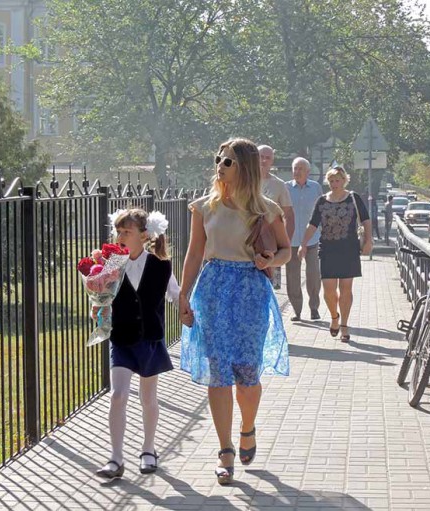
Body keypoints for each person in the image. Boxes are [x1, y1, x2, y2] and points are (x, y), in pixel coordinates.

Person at [178, 138, 291, 485]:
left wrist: (271, 259)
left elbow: (287, 250)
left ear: (243, 166)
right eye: (218, 160)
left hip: (250, 292)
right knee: (218, 372)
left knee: (247, 373)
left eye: (227, 161)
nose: (220, 166)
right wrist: (183, 295)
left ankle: (248, 427)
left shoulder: (266, 208)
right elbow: (195, 254)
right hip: (212, 290)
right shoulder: (204, 207)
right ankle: (225, 449)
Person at [95, 208, 180, 480]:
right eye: (118, 231)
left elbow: (175, 293)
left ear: (144, 236)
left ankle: (148, 449)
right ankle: (116, 457)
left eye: (127, 232)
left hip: (149, 339)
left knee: (147, 398)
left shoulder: (160, 264)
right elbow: (101, 297)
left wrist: (188, 312)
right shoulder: (112, 264)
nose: (120, 236)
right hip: (121, 338)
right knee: (118, 395)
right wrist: (97, 308)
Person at [298, 166, 373, 342]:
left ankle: (345, 325)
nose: (334, 184)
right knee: (329, 290)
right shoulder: (322, 201)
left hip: (349, 249)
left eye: (337, 180)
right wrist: (303, 244)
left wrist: (369, 240)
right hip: (328, 250)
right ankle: (334, 317)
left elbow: (366, 220)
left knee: (346, 289)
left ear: (344, 180)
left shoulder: (353, 198)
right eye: (331, 181)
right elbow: (312, 224)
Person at [286, 157, 323, 321]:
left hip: (312, 238)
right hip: (291, 239)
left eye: (301, 168)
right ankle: (297, 310)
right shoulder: (285, 188)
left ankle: (314, 308)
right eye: (295, 168)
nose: (297, 171)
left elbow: (322, 211)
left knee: (313, 274)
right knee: (293, 276)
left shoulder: (315, 188)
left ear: (308, 172)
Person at [258, 145, 295, 289]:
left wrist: (285, 245)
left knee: (270, 287)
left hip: (270, 245)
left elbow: (289, 215)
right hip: (246, 243)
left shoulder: (279, 185)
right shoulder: (244, 182)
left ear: (272, 161)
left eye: (268, 158)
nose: (264, 160)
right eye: (261, 156)